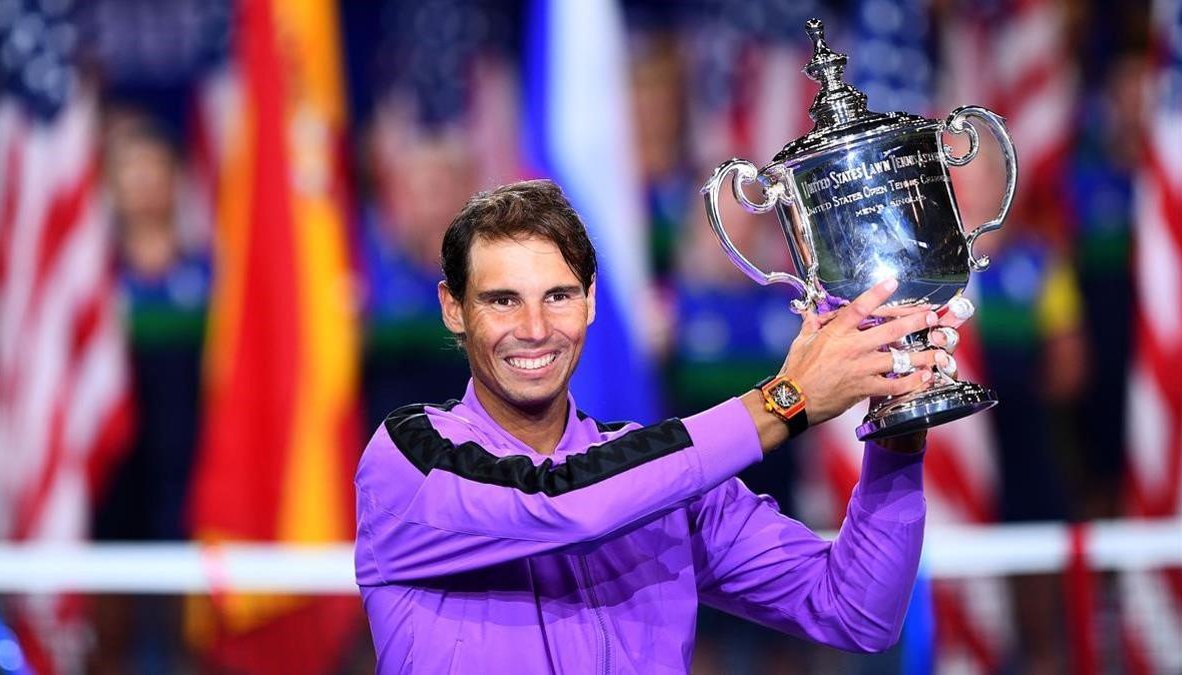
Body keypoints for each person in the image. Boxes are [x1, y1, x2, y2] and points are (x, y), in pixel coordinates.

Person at [354, 180, 965, 673]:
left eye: (559, 296)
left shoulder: (665, 480)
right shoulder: (407, 457)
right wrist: (786, 400)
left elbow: (857, 611)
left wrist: (898, 427)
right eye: (503, 300)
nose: (535, 327)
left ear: (592, 301)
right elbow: (560, 500)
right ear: (453, 308)